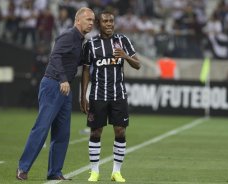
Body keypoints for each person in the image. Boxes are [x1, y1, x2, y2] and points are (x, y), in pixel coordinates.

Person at [16, 7, 95, 181]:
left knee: (62, 133)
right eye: (88, 19)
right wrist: (63, 79)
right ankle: (23, 167)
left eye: (92, 20)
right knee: (42, 128)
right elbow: (55, 56)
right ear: (77, 20)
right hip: (54, 84)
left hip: (64, 89)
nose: (91, 23)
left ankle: (54, 172)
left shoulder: (81, 40)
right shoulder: (68, 36)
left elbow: (75, 60)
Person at [80, 10, 141, 182]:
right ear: (99, 23)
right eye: (105, 21)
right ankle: (94, 171)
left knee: (120, 131)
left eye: (111, 21)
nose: (109, 24)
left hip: (118, 95)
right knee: (95, 132)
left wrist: (125, 56)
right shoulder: (90, 44)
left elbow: (138, 65)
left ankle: (116, 171)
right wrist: (83, 96)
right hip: (98, 95)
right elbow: (85, 70)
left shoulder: (123, 41)